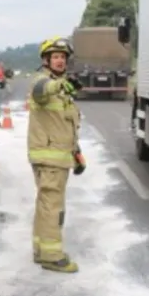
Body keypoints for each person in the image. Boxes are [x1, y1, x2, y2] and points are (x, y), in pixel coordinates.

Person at [28, 36, 85, 273]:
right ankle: (52, 257)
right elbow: (41, 91)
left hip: (60, 156)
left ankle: (42, 250)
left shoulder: (61, 89)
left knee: (45, 204)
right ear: (46, 60)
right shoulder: (42, 82)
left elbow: (67, 124)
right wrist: (61, 84)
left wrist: (76, 153)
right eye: (56, 57)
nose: (60, 61)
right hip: (49, 157)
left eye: (63, 57)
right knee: (53, 207)